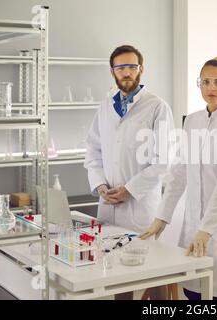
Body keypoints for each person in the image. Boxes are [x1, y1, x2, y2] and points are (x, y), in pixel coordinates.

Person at [140, 57, 217, 300]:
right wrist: (162, 217)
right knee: (194, 293)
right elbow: (179, 173)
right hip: (194, 227)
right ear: (199, 84)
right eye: (205, 82)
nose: (211, 88)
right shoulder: (192, 121)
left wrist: (207, 229)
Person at [84, 45, 174, 299]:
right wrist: (100, 186)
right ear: (112, 71)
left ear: (141, 69)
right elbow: (92, 149)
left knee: (151, 276)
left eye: (131, 67)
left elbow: (163, 160)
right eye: (120, 67)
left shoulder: (157, 107)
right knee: (113, 277)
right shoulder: (105, 106)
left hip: (141, 207)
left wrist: (129, 190)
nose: (126, 72)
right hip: (108, 204)